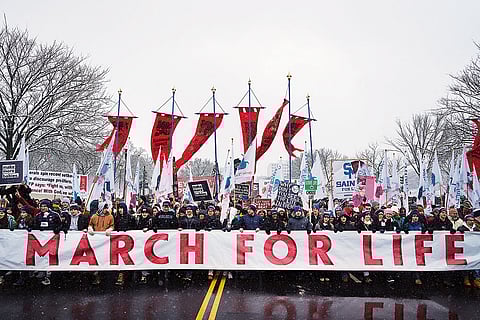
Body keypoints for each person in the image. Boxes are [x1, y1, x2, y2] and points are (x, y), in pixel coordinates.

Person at [88, 202, 114, 286]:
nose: (106, 210)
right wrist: (90, 228)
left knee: (105, 258)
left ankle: (105, 277)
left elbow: (112, 225)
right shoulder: (94, 217)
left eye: (107, 208)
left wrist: (110, 229)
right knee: (96, 259)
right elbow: (90, 224)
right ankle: (97, 276)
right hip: (96, 241)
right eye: (105, 208)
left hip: (106, 241)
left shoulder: (110, 216)